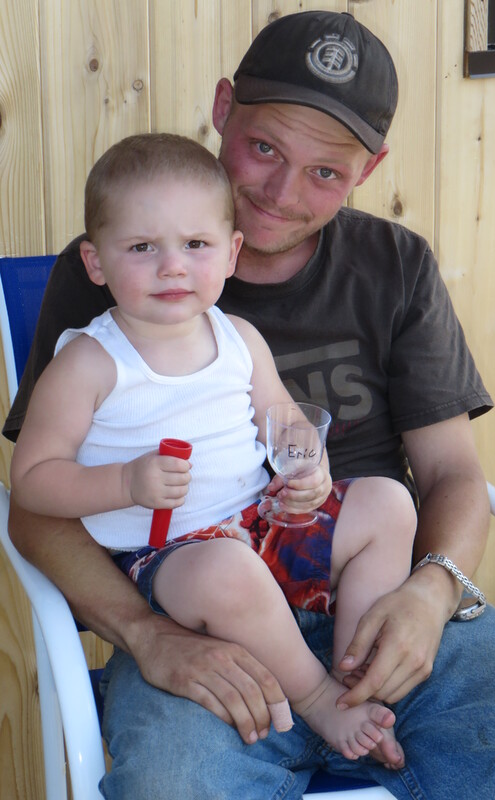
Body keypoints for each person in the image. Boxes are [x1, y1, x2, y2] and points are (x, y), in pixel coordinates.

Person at [4, 10, 495, 799]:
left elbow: (452, 474)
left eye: (325, 171)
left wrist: (431, 591)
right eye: (264, 149)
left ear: (369, 168)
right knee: (174, 786)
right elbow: (34, 506)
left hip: (374, 592)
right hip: (201, 619)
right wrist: (146, 635)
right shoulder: (114, 285)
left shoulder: (392, 266)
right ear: (223, 110)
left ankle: (353, 677)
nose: (282, 193)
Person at [10, 133, 414, 767]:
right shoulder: (89, 363)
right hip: (171, 559)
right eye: (142, 247)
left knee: (388, 503)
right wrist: (123, 483)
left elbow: (283, 419)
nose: (172, 266)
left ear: (231, 253)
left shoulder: (238, 337)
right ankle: (318, 699)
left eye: (196, 245)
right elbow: (32, 479)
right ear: (96, 262)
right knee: (228, 572)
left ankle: (353, 665)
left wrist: (308, 467)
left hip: (261, 524)